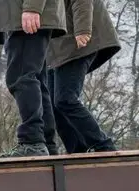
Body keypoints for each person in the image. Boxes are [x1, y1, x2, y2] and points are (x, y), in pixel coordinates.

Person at [0, 0, 67, 157]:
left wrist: (32, 7)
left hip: (26, 12)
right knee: (35, 80)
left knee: (21, 77)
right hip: (19, 14)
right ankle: (44, 143)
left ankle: (32, 141)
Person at [47, 0, 119, 153]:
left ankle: (104, 146)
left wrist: (83, 29)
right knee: (53, 105)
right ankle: (77, 150)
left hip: (75, 38)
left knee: (65, 99)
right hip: (57, 45)